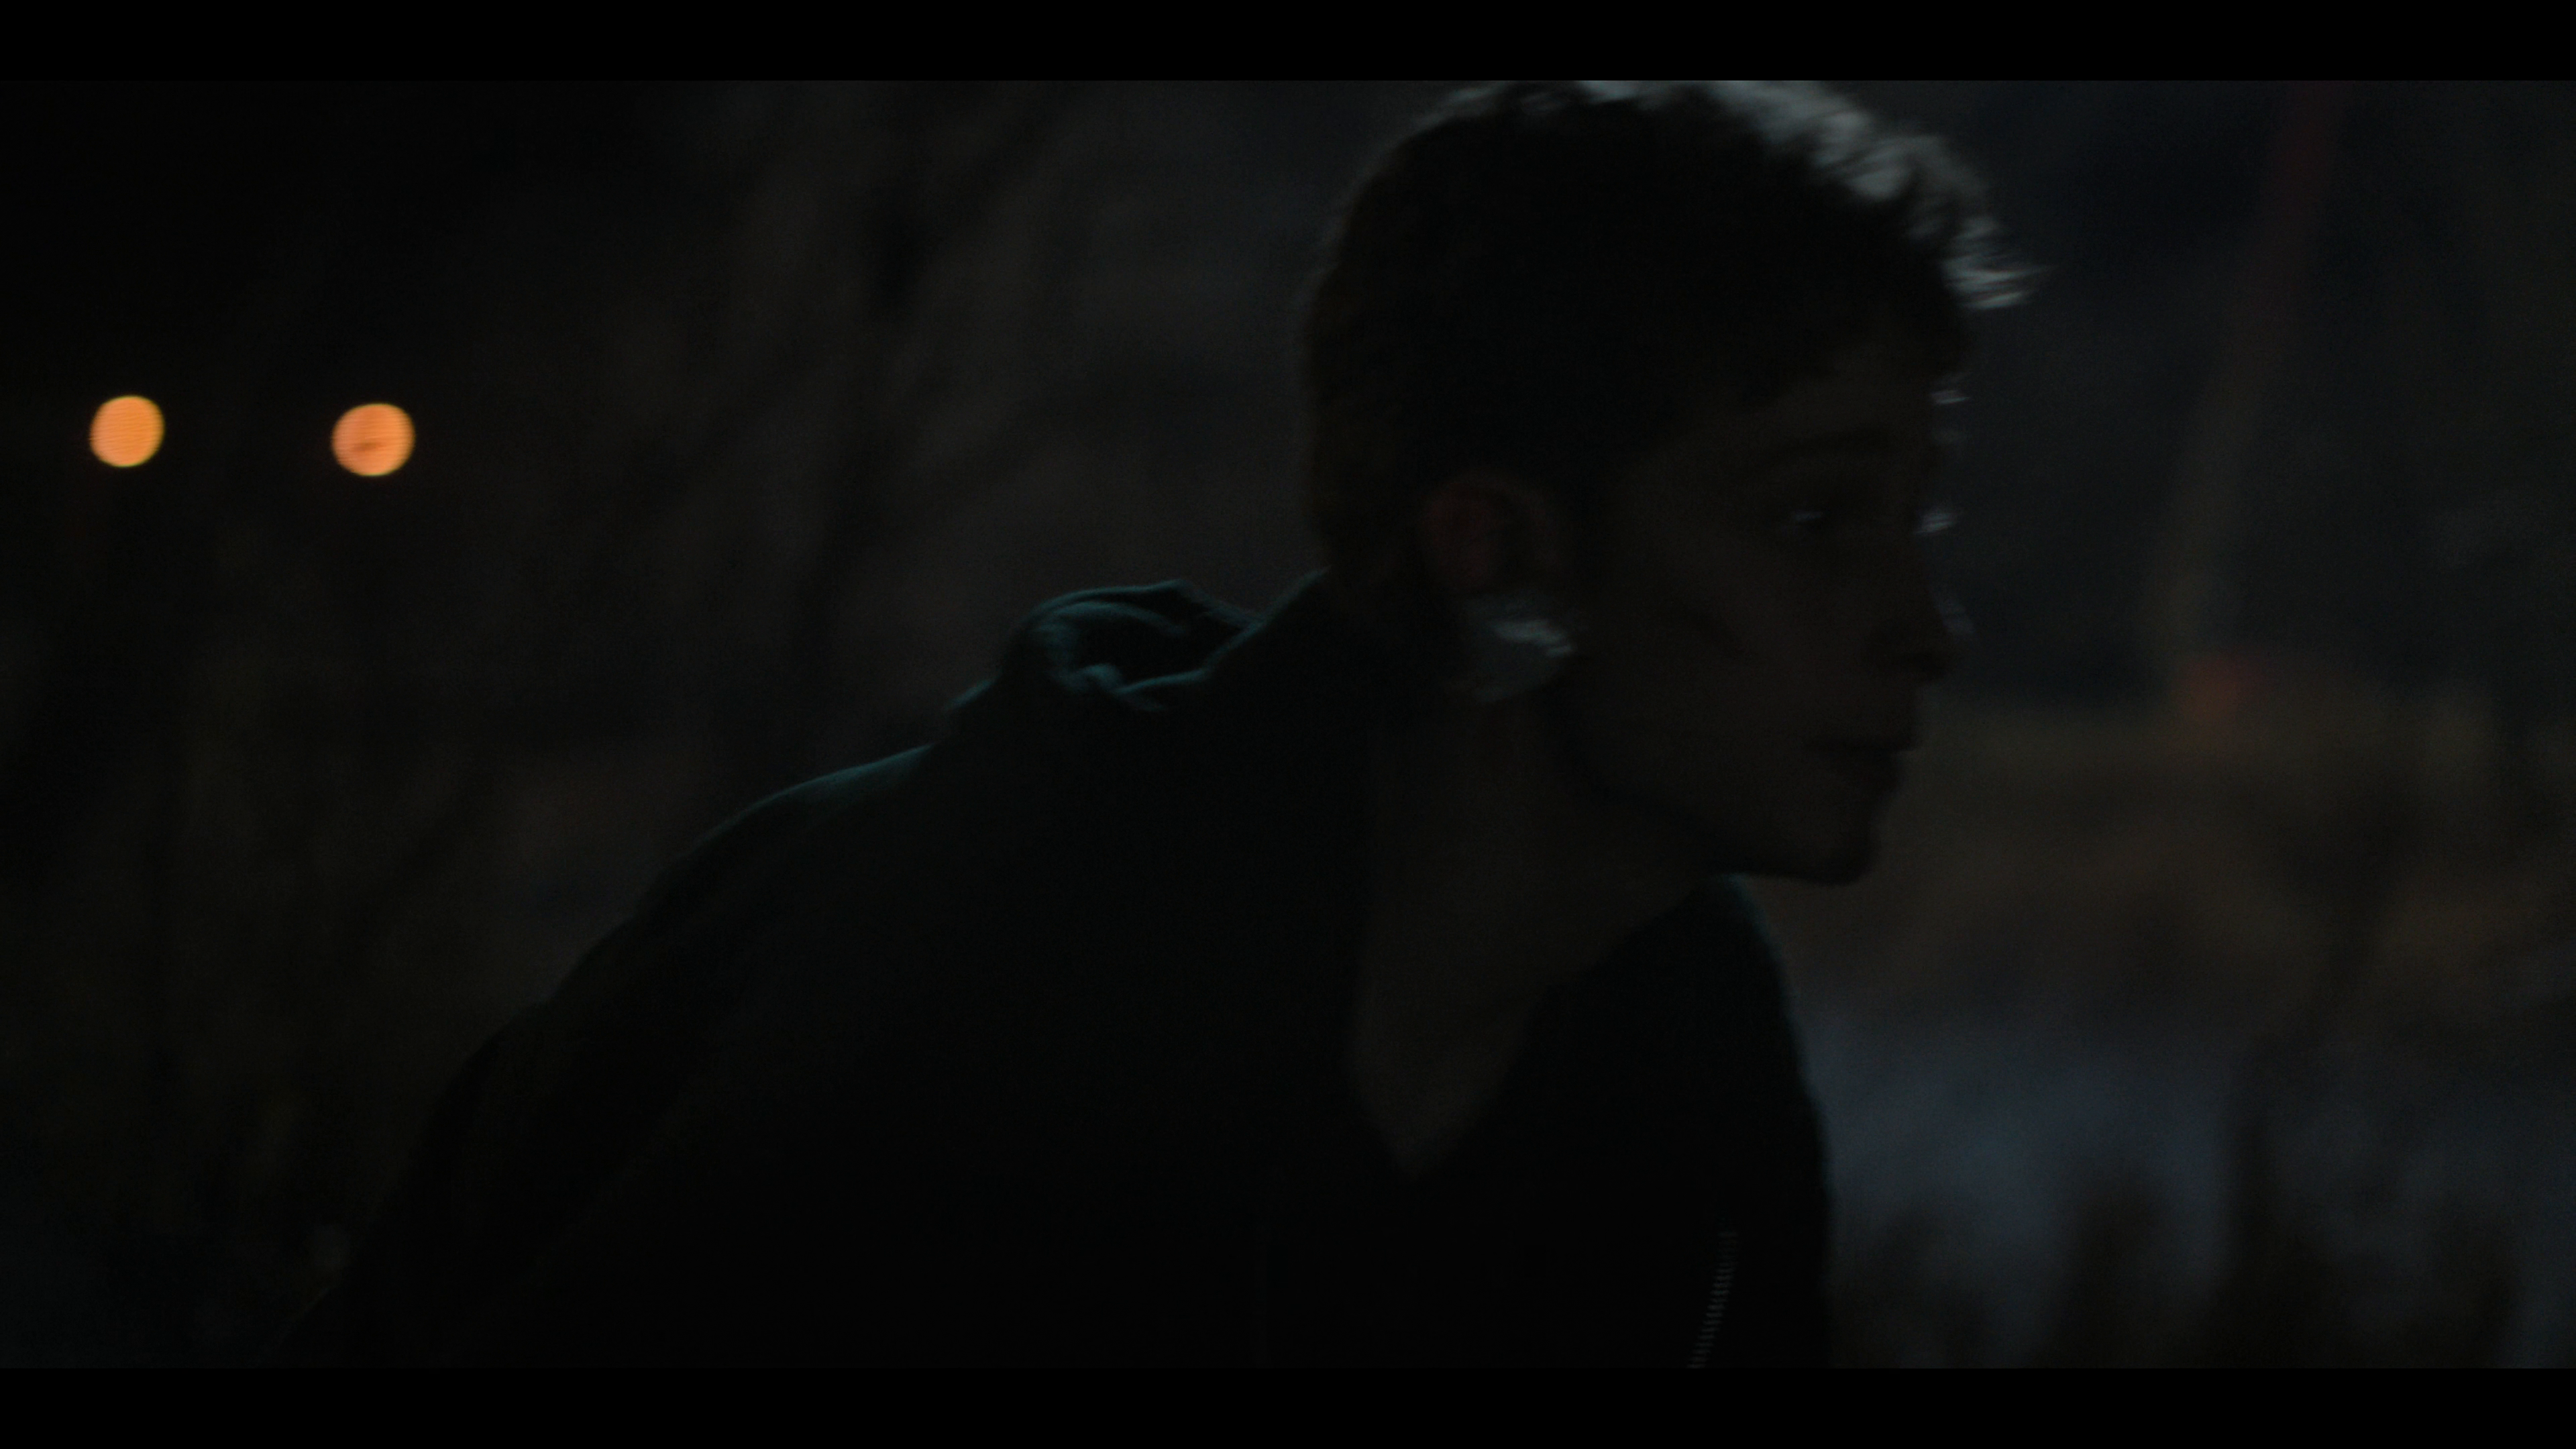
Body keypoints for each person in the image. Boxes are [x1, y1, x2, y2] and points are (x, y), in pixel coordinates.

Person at [280, 79, 2022, 1366]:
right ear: (1496, 555)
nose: (1925, 628)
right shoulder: (981, 957)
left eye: (1916, 517)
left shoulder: (1686, 1025)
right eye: (1813, 518)